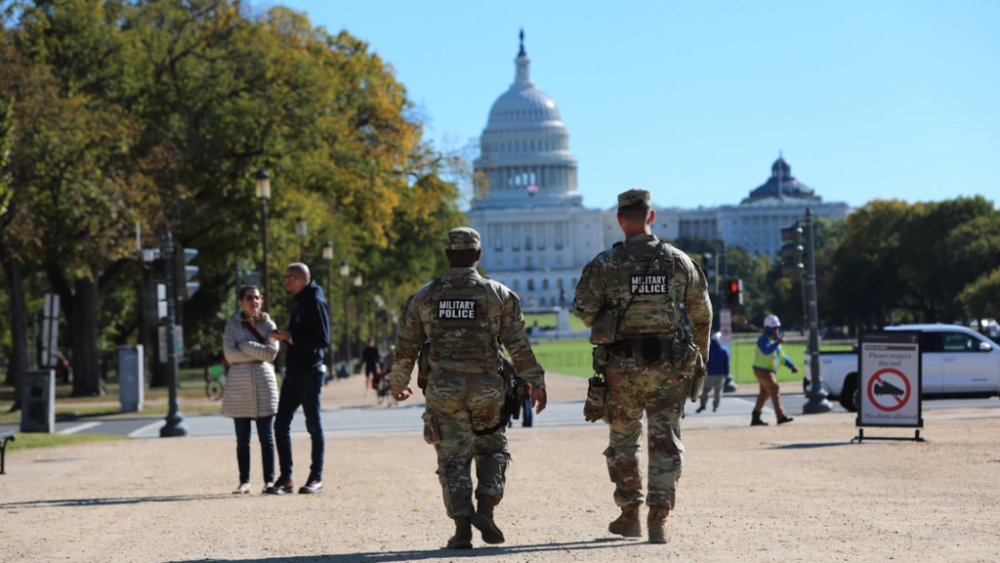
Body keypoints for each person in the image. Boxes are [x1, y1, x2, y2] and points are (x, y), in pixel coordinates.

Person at [389, 227, 547, 550]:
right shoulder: (498, 294)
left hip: (443, 388)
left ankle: (462, 528)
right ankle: (486, 509)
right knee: (492, 449)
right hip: (487, 387)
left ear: (448, 255)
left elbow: (406, 345)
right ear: (478, 255)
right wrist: (537, 382)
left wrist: (398, 382)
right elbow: (519, 346)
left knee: (452, 458)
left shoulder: (426, 296)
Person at [573, 189, 712, 545]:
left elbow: (583, 312)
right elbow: (702, 315)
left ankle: (630, 513)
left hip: (621, 367)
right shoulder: (679, 261)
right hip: (668, 366)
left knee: (624, 439)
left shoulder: (605, 264)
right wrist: (701, 359)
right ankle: (659, 517)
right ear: (652, 217)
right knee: (665, 440)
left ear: (621, 220)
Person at [270, 263, 331, 495]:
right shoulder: (301, 304)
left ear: (295, 279)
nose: (284, 282)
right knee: (280, 424)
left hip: (309, 372)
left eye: (286, 278)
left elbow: (323, 339)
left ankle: (316, 477)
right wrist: (285, 338)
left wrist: (290, 337)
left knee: (313, 425)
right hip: (294, 373)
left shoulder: (315, 302)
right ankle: (286, 478)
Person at [221, 285, 280, 494]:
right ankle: (244, 481)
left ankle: (269, 481)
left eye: (256, 298)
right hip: (240, 387)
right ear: (240, 302)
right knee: (242, 439)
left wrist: (244, 346)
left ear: (261, 301)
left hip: (264, 385)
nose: (253, 301)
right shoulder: (232, 326)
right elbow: (229, 354)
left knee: (267, 437)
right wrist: (257, 351)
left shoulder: (268, 324)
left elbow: (272, 352)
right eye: (248, 298)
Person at [751, 314, 798, 426]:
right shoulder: (764, 339)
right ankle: (780, 416)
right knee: (775, 388)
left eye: (778, 328)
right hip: (763, 371)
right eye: (774, 328)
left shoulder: (774, 340)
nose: (777, 330)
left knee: (764, 393)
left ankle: (755, 417)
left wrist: (791, 365)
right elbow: (766, 350)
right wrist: (777, 342)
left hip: (767, 371)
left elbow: (782, 356)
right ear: (769, 328)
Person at [697, 333, 730, 413]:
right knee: (718, 391)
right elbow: (726, 364)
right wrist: (726, 374)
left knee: (706, 390)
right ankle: (716, 407)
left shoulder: (707, 350)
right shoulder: (724, 349)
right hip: (720, 373)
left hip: (709, 373)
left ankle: (703, 405)